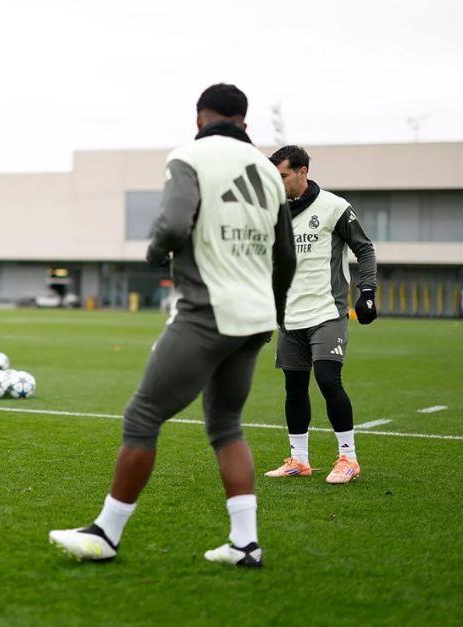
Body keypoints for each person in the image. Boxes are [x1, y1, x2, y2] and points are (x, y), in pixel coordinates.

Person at [49, 84, 296, 568]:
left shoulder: (189, 156)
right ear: (245, 123)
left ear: (200, 118)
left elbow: (175, 222)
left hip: (207, 311)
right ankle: (245, 543)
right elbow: (285, 257)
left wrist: (155, 249)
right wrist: (275, 314)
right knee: (226, 424)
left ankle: (107, 534)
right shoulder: (270, 171)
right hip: (254, 318)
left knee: (142, 417)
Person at [264, 146, 377, 484]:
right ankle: (299, 460)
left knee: (328, 380)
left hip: (327, 312)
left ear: (303, 171)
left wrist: (367, 291)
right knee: (294, 388)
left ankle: (349, 458)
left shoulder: (334, 207)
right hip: (290, 317)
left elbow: (365, 248)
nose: (278, 182)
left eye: (283, 175)